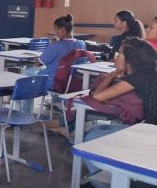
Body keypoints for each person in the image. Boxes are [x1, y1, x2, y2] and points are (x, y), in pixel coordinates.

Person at [82, 38, 157, 186]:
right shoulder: (148, 73)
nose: (115, 56)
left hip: (151, 135)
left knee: (92, 136)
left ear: (128, 59)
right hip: (149, 129)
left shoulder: (136, 79)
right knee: (99, 129)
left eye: (119, 54)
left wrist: (113, 73)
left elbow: (97, 96)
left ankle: (101, 184)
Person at [22, 15, 86, 113]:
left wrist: (36, 59)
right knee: (55, 70)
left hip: (54, 81)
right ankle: (56, 102)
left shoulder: (56, 45)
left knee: (27, 71)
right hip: (71, 81)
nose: (55, 33)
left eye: (56, 30)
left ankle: (25, 111)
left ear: (62, 30)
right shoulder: (81, 44)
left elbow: (39, 62)